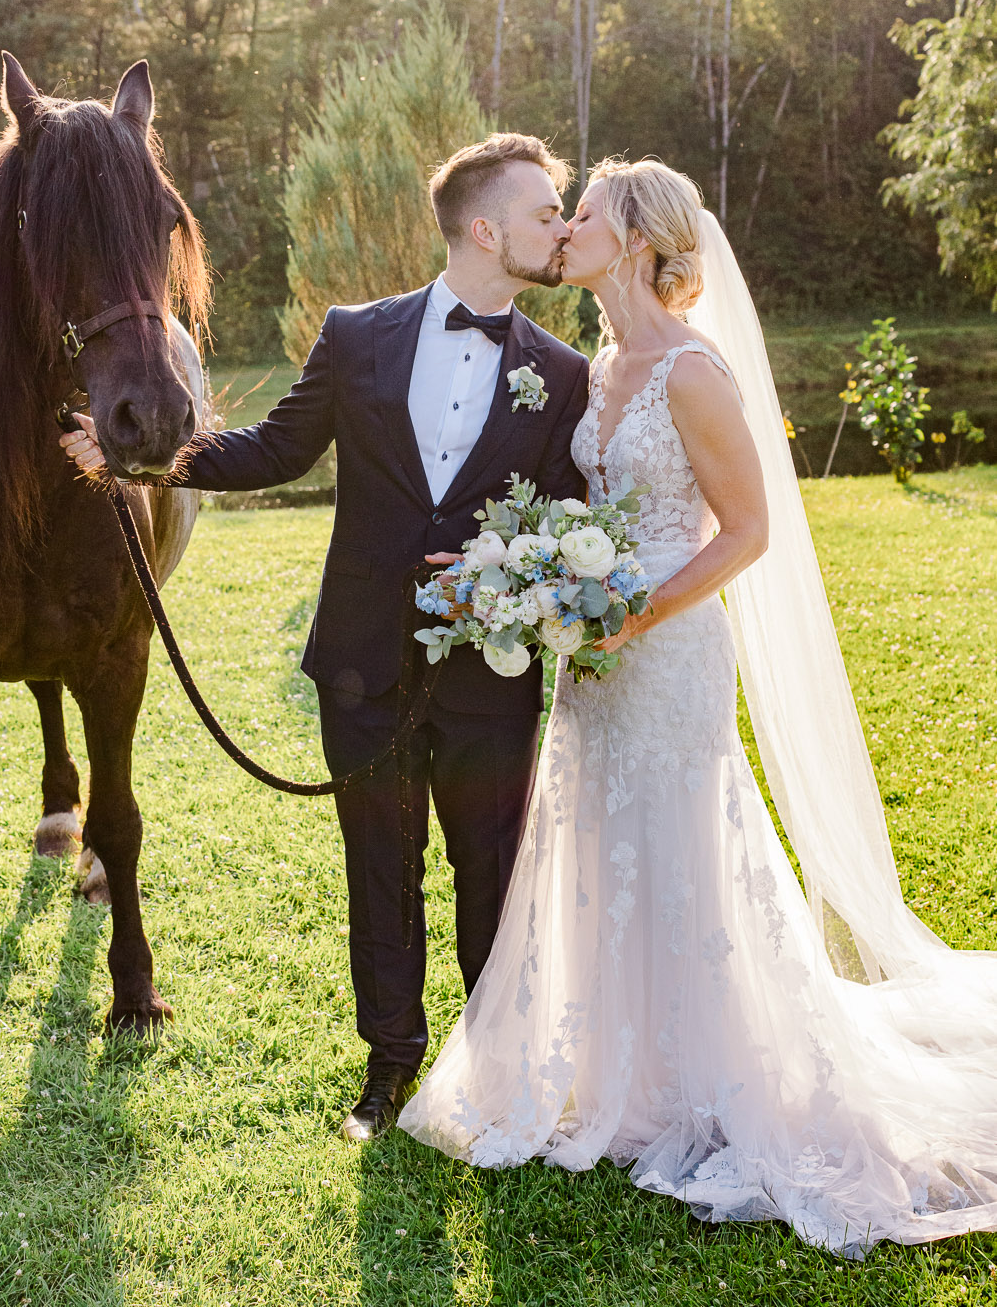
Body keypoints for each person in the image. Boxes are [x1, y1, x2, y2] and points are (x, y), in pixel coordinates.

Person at [399, 158, 997, 1254]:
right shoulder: (600, 365)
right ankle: (613, 1064)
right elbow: (576, 502)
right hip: (594, 652)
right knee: (596, 837)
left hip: (666, 649)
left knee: (678, 844)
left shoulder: (690, 370)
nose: (563, 226)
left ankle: (706, 1071)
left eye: (582, 214)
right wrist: (515, 573)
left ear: (634, 240)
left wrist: (637, 612)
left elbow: (748, 529)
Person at [60, 133, 589, 1142]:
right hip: (362, 665)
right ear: (485, 228)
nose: (557, 228)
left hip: (493, 673)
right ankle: (389, 1067)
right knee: (378, 872)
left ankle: (494, 1071)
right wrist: (147, 459)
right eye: (542, 211)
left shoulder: (560, 374)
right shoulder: (359, 335)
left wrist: (508, 582)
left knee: (492, 875)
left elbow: (566, 520)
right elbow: (275, 448)